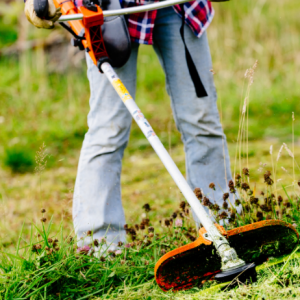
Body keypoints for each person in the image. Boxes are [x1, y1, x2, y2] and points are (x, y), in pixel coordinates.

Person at [25, 0, 233, 250]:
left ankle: (222, 224)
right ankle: (100, 247)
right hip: (107, 7)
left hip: (178, 6)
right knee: (108, 127)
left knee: (201, 119)